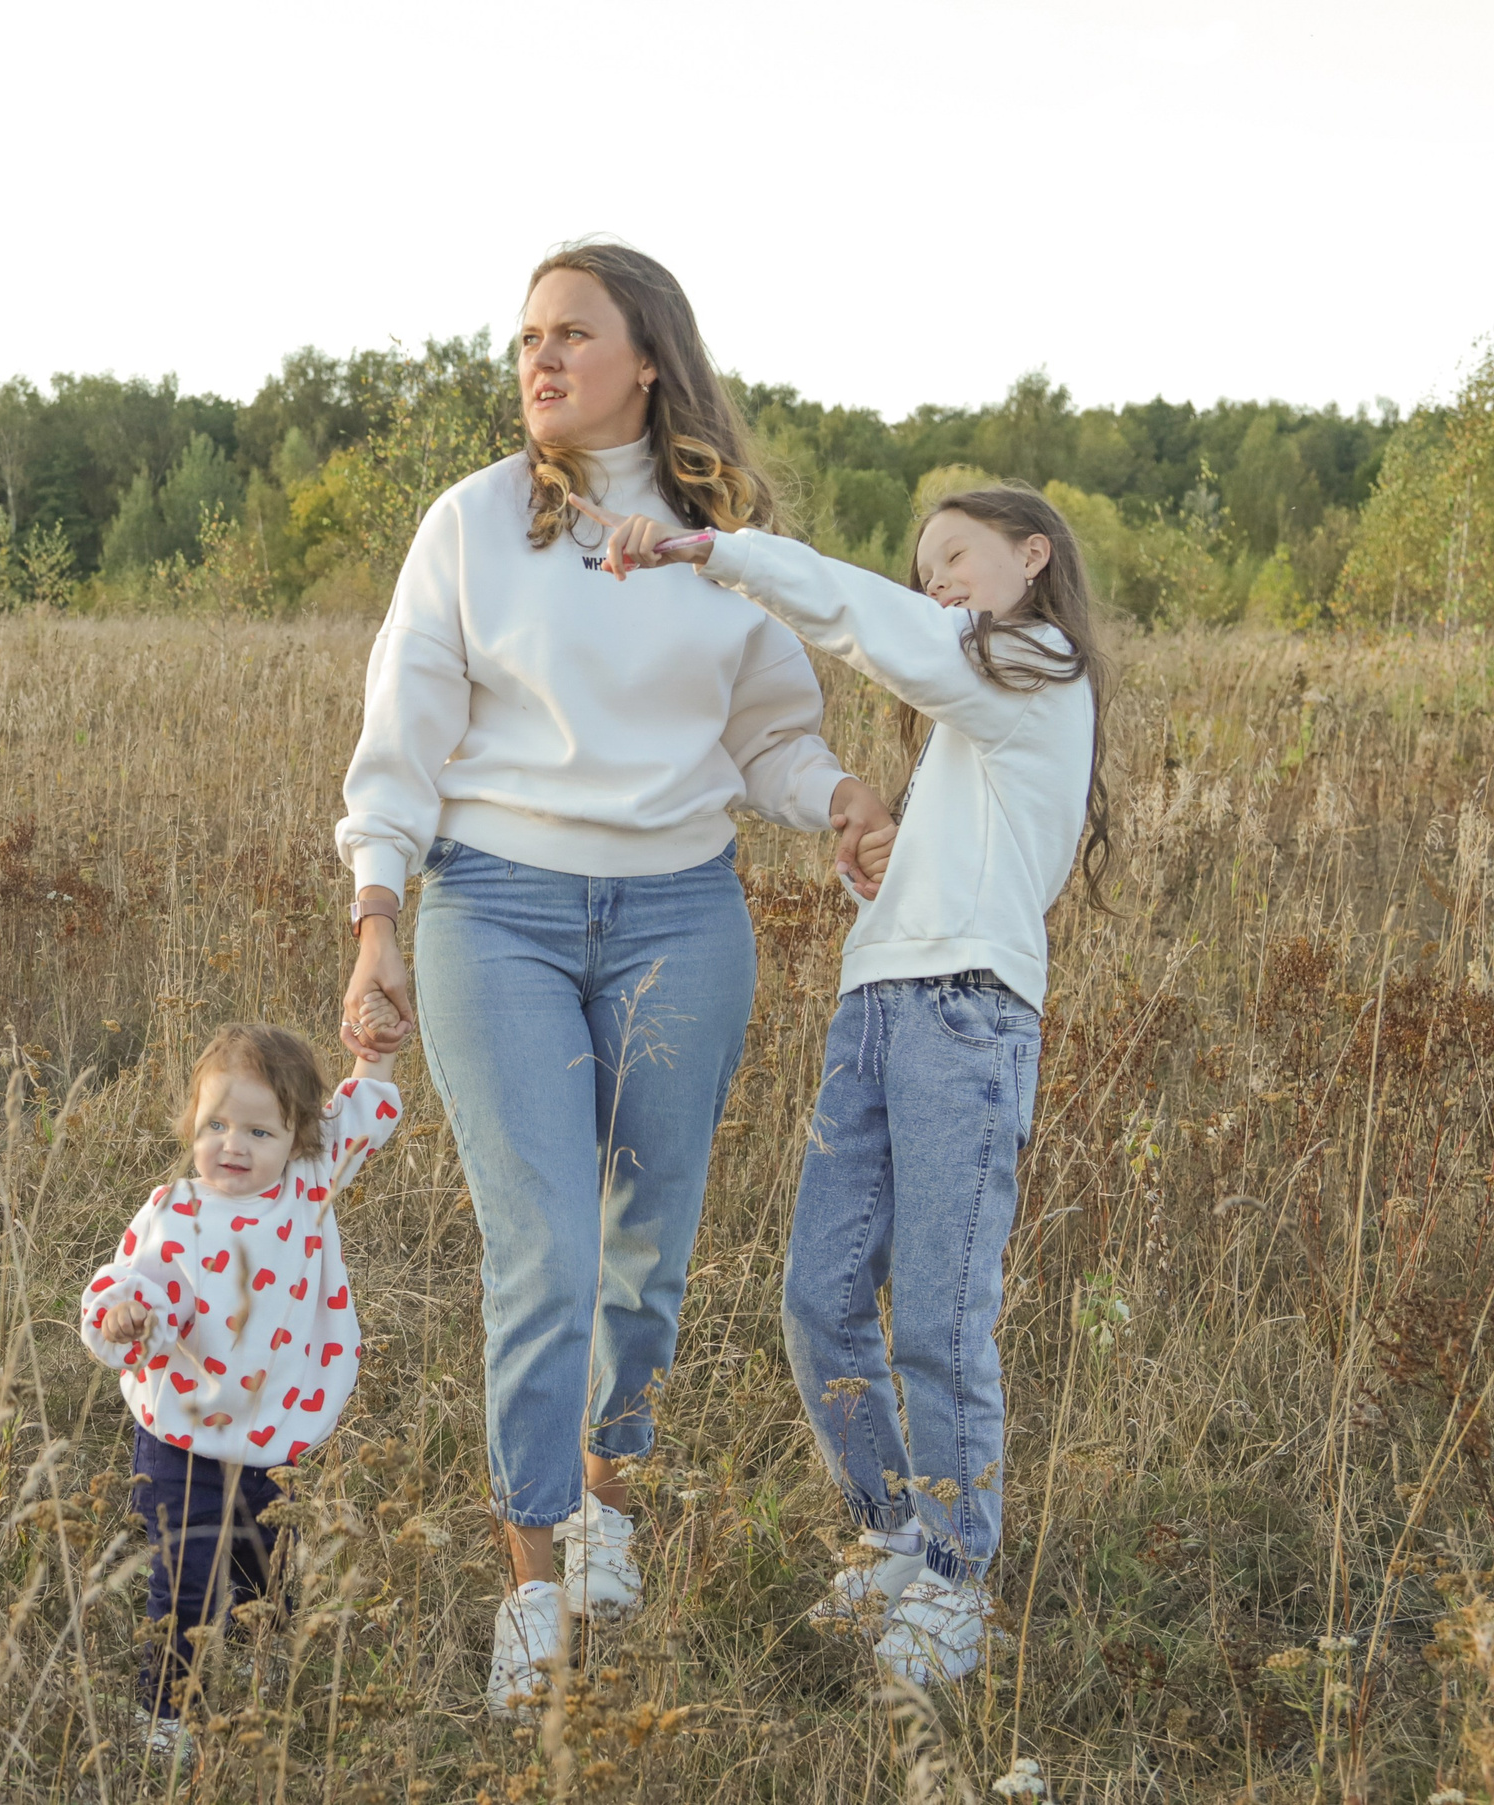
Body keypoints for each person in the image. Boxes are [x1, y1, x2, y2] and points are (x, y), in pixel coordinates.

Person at [334, 239, 897, 1715]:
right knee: (547, 1255)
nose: (539, 358)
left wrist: (836, 798)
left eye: (571, 332)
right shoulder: (469, 527)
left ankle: (606, 1513)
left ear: (648, 358)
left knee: (649, 1249)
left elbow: (774, 731)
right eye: (526, 335)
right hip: (494, 911)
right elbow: (402, 738)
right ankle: (531, 1586)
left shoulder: (731, 537)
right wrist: (379, 915)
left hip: (679, 916)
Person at [576, 485, 1110, 1685]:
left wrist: (725, 553)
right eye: (924, 567)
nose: (937, 583)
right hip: (872, 1010)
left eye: (956, 557)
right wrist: (875, 868)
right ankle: (895, 1531)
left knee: (935, 1315)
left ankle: (960, 1576)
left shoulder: (1039, 661)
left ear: (1032, 557)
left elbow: (883, 627)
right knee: (817, 1297)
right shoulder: (968, 720)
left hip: (965, 1018)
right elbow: (943, 857)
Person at [78, 1021, 402, 1756]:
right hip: (180, 1432)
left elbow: (362, 1107)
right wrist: (133, 1314)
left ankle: (262, 1658)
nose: (233, 1144)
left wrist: (376, 1046)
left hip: (272, 1430)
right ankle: (166, 1710)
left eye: (259, 1130)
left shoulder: (309, 1188)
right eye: (216, 1123)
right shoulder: (176, 1208)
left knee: (262, 1566)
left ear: (299, 1138)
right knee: (184, 1577)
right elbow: (134, 1279)